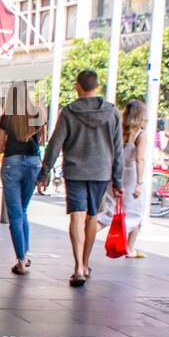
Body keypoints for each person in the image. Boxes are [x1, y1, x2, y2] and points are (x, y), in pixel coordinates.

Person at [38, 69, 123, 287]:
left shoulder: (69, 112)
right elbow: (118, 148)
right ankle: (85, 263)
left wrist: (45, 172)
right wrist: (118, 180)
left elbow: (55, 144)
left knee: (76, 215)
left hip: (75, 171)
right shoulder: (112, 112)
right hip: (101, 171)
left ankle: (77, 267)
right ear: (97, 86)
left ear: (78, 86)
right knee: (92, 216)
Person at [0, 84, 44, 275]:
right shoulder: (36, 115)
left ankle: (21, 260)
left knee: (15, 213)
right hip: (33, 163)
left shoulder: (7, 118)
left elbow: (0, 146)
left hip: (12, 163)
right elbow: (41, 140)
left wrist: (8, 143)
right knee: (23, 210)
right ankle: (25, 254)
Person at [99, 99, 148, 258]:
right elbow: (139, 159)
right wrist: (140, 183)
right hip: (132, 176)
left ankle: (88, 232)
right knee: (135, 213)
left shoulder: (117, 130)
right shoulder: (141, 134)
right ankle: (129, 248)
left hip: (114, 173)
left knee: (109, 212)